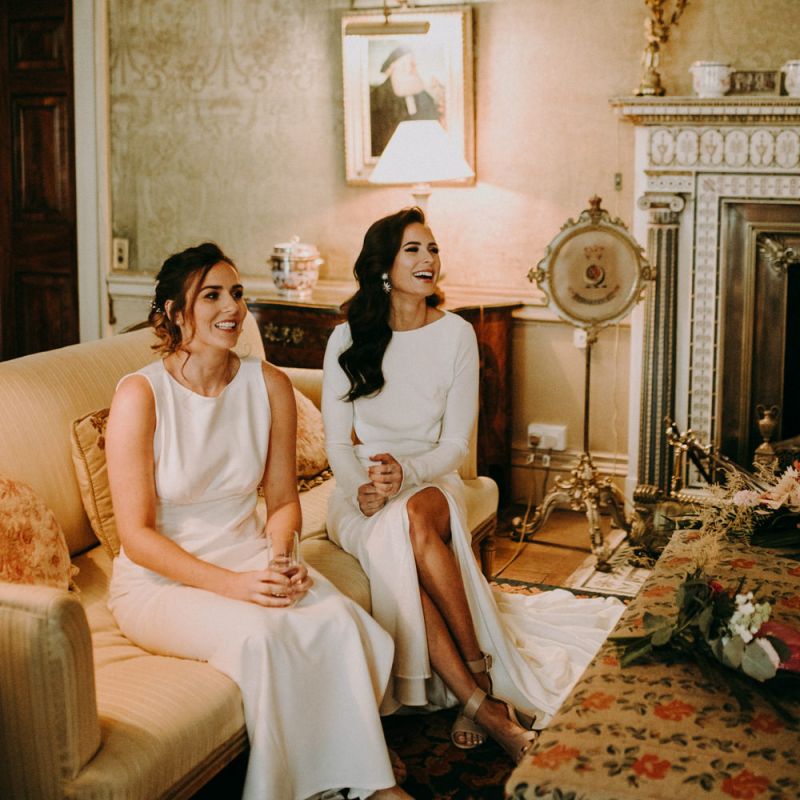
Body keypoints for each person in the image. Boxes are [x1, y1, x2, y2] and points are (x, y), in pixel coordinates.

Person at [105, 242, 410, 800]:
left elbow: (283, 500)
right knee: (264, 636)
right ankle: (357, 787)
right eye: (211, 296)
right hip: (159, 581)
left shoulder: (269, 384)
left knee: (337, 621)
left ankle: (355, 769)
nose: (232, 308)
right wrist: (235, 586)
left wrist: (282, 557)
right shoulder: (140, 395)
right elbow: (137, 538)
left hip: (248, 554)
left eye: (237, 293)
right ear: (174, 313)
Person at [322, 208, 625, 764]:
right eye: (413, 249)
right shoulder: (346, 337)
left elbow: (456, 445)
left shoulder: (456, 334)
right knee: (398, 550)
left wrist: (407, 474)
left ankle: (478, 675)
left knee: (413, 520)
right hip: (360, 490)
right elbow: (338, 443)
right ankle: (482, 701)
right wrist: (361, 489)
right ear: (383, 265)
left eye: (433, 249)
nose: (428, 260)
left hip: (430, 479)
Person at [370, 46, 440, 156]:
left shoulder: (423, 95)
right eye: (406, 65)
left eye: (413, 65)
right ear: (393, 68)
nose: (411, 69)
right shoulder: (377, 96)